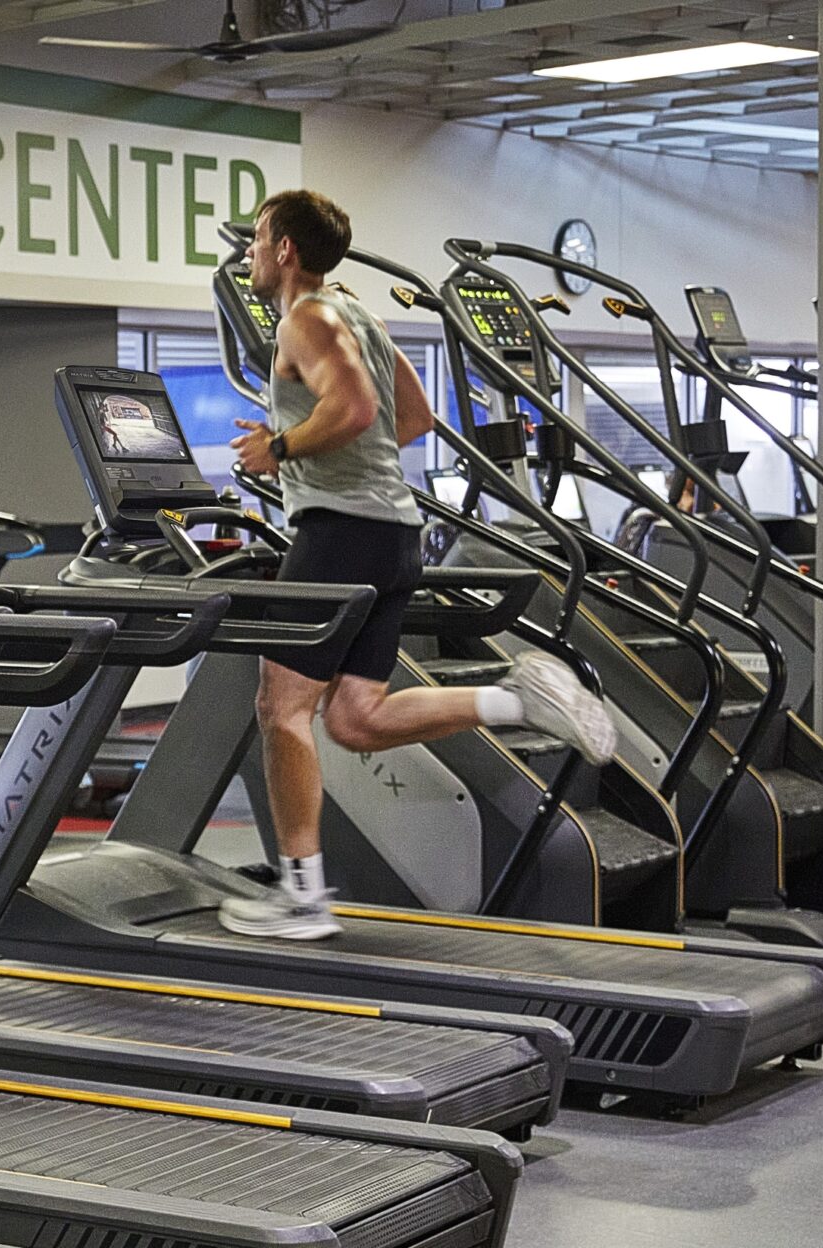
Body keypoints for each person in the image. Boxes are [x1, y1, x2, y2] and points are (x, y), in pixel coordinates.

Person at [219, 190, 616, 941]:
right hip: (393, 533)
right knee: (357, 718)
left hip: (341, 535)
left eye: (258, 239)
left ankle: (301, 894)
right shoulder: (357, 312)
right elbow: (415, 417)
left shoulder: (306, 317)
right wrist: (314, 450)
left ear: (286, 252)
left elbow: (360, 412)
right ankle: (518, 702)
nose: (249, 252)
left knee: (281, 706)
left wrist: (282, 450)